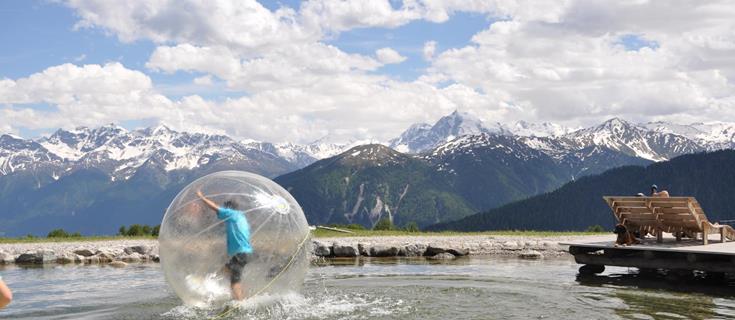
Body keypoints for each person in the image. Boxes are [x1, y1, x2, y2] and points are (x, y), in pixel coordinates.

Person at [196, 190, 253, 301]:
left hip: (240, 254)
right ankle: (241, 297)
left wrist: (201, 197)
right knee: (225, 271)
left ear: (228, 209)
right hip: (244, 253)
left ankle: (240, 305)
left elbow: (214, 207)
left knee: (234, 282)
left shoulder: (231, 214)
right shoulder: (240, 216)